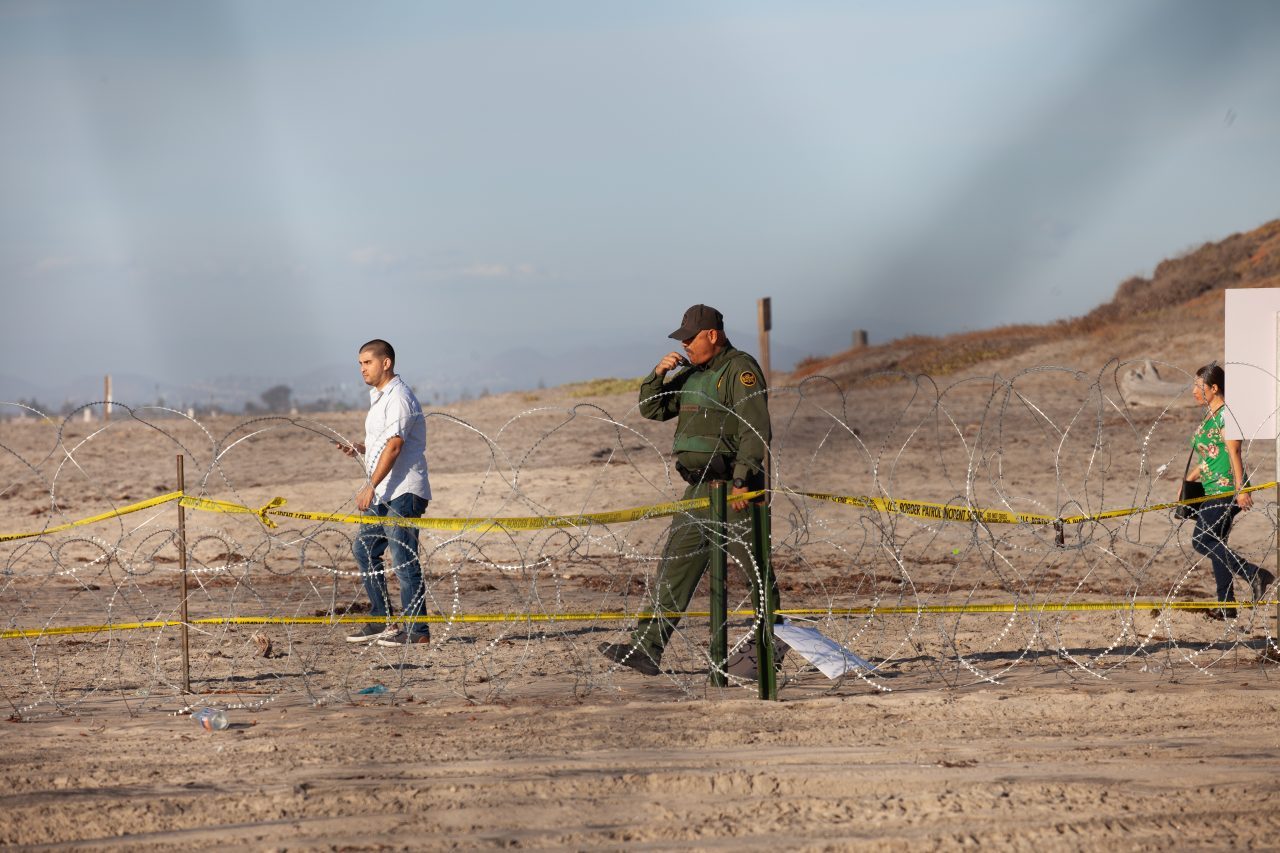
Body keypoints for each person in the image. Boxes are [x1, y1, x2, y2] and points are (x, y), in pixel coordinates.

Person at [599, 304, 781, 676]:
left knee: (755, 571)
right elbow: (653, 410)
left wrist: (744, 482)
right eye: (681, 338)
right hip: (699, 491)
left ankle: (770, 649)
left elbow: (755, 430)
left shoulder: (739, 370)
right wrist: (657, 375)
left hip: (735, 490)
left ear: (712, 335)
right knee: (675, 568)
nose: (684, 344)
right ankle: (646, 648)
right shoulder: (692, 374)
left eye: (690, 337)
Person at [337, 339, 434, 646]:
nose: (362, 369)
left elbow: (395, 446)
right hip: (384, 492)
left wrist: (370, 485)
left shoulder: (400, 397)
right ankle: (382, 620)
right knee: (365, 550)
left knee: (404, 560)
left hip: (403, 491)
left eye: (367, 362)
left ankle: (417, 632)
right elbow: (384, 441)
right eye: (360, 364)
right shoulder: (378, 398)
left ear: (386, 363)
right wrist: (361, 449)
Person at [1184, 363, 1275, 619]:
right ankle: (1226, 604)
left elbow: (1233, 451)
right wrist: (1188, 482)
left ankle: (1254, 574)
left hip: (1226, 489)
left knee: (1202, 540)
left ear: (1214, 388)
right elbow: (1211, 456)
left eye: (1198, 386)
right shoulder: (1209, 415)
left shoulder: (1226, 415)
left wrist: (1241, 489)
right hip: (1210, 488)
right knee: (1216, 544)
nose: (1193, 391)